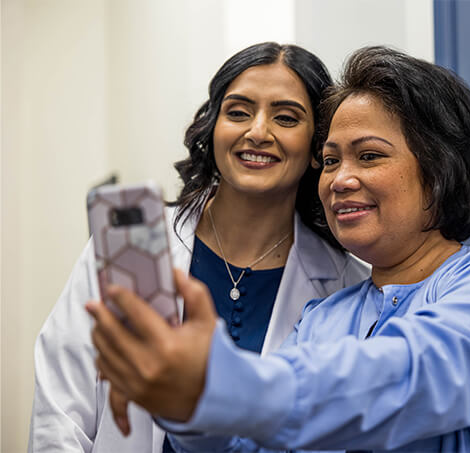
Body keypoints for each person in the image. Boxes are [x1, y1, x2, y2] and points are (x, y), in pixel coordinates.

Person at [87, 46, 470, 452]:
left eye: (369, 156)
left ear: (437, 175)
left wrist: (213, 384)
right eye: (329, 161)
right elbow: (245, 445)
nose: (340, 180)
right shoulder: (324, 319)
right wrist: (186, 409)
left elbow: (403, 378)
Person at [29, 42, 370, 453]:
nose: (257, 132)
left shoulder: (346, 285)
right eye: (238, 112)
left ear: (318, 147)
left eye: (285, 117)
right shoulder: (124, 252)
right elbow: (59, 412)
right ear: (213, 127)